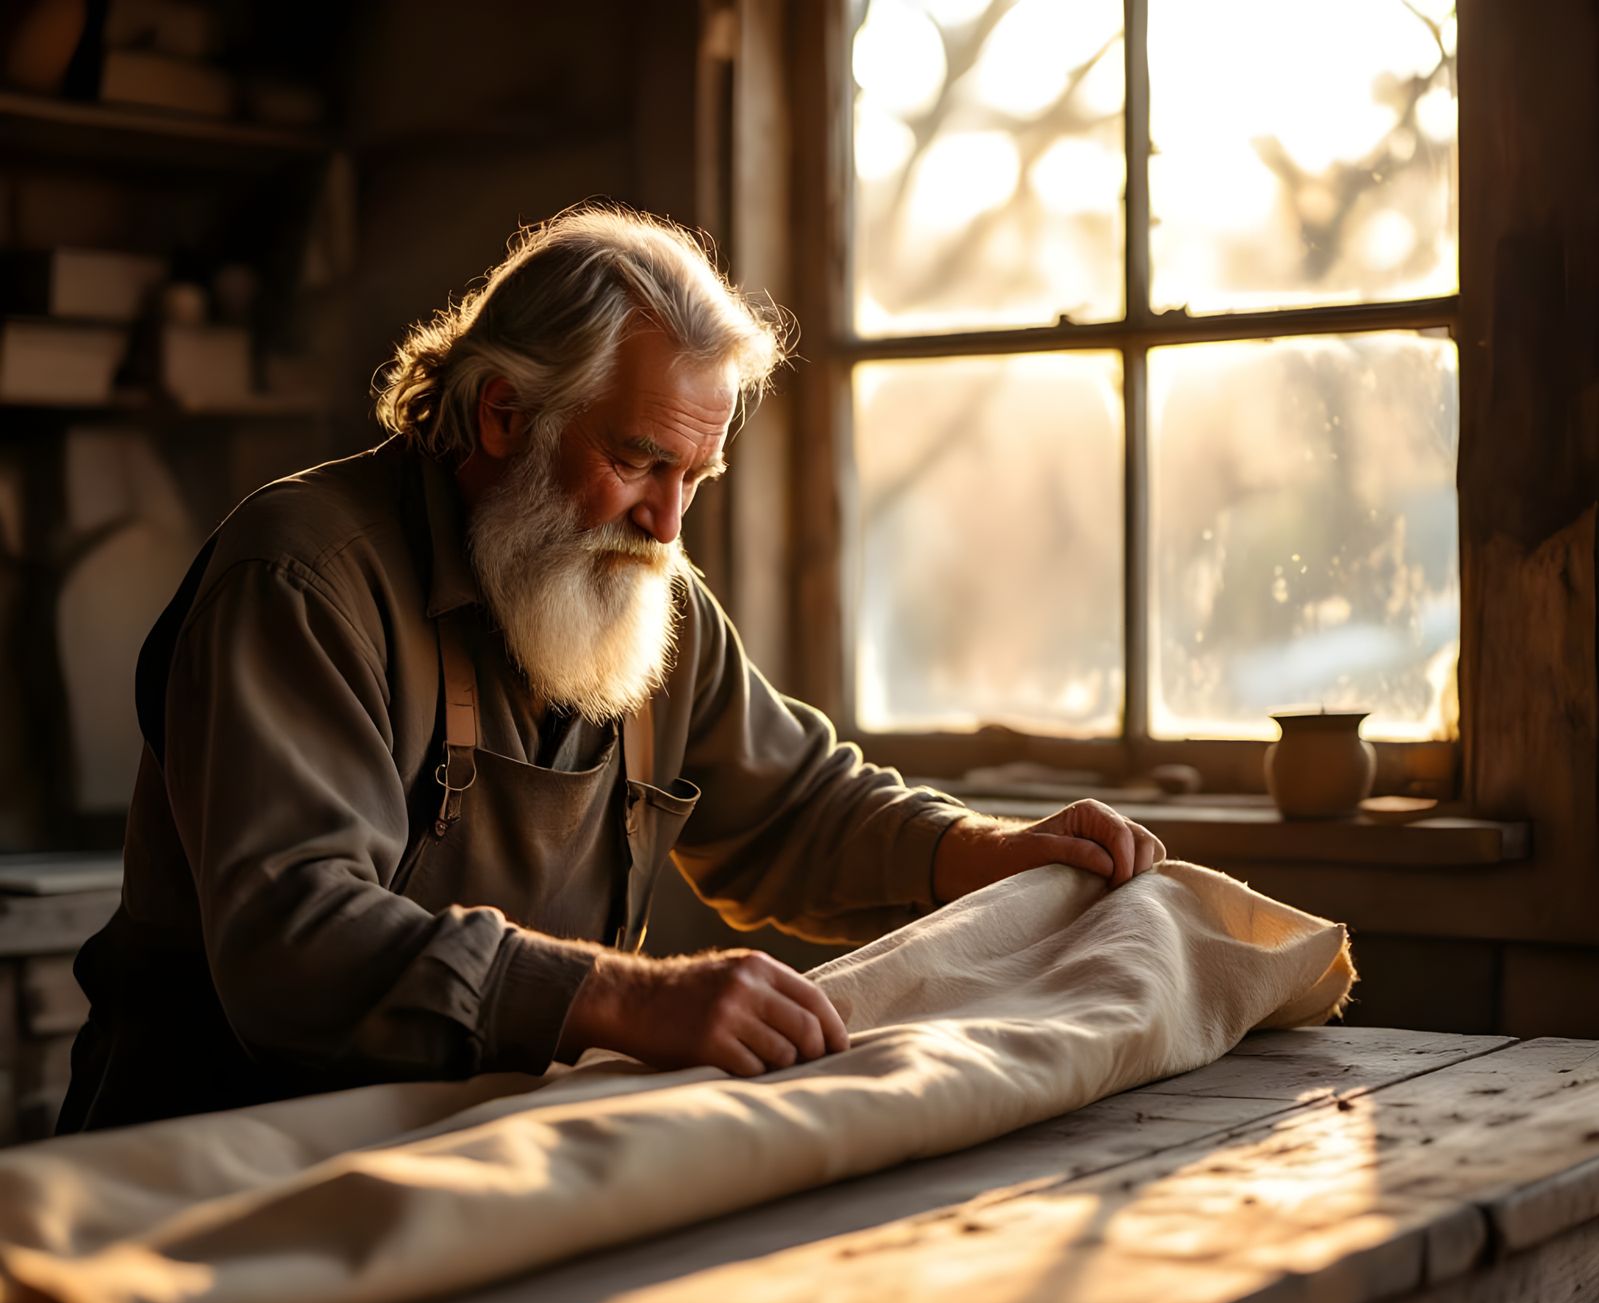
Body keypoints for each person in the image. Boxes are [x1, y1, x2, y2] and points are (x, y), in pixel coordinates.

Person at [59, 206, 1165, 1133]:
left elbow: (798, 808)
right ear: (503, 414)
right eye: (637, 460)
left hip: (480, 1154)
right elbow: (296, 938)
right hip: (213, 1169)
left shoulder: (643, 586)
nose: (667, 521)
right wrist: (620, 995)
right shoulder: (302, 577)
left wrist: (980, 850)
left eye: (696, 473)